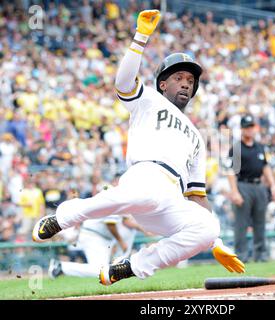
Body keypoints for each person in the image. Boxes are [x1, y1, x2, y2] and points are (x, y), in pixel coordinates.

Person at [32, 9, 244, 285]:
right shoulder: (149, 100)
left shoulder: (196, 136)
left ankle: (132, 266)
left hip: (170, 200)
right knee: (146, 195)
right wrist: (140, 37)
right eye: (179, 78)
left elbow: (197, 197)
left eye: (190, 81)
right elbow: (122, 82)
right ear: (163, 83)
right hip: (145, 175)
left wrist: (215, 241)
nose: (186, 84)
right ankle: (63, 217)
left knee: (208, 225)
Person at [227, 114, 275, 262]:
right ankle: (241, 258)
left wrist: (273, 185)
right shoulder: (237, 148)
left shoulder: (259, 147)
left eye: (251, 126)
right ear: (241, 129)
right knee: (241, 224)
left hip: (259, 186)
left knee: (260, 223)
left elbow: (265, 167)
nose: (249, 130)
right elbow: (231, 172)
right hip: (243, 185)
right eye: (246, 127)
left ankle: (261, 256)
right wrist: (234, 192)